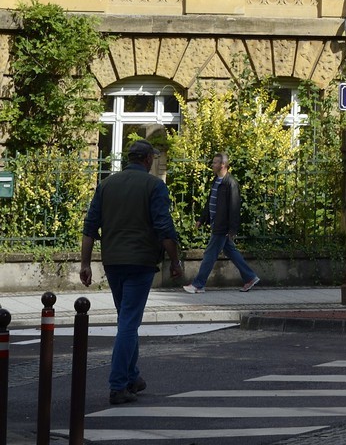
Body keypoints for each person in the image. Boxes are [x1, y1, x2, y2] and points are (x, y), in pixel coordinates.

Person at [80, 138, 183, 405]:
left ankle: (132, 376)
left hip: (113, 261)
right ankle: (118, 385)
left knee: (126, 319)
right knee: (128, 323)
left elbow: (90, 226)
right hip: (141, 262)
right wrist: (175, 261)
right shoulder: (154, 186)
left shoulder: (106, 184)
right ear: (148, 159)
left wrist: (85, 263)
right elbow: (164, 228)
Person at [183, 151, 260, 293]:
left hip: (222, 226)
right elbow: (210, 202)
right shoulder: (216, 181)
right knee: (231, 252)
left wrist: (232, 229)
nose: (212, 165)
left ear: (223, 165)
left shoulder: (231, 183)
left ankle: (198, 284)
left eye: (215, 162)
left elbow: (234, 207)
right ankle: (250, 277)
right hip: (216, 223)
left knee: (209, 254)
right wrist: (202, 219)